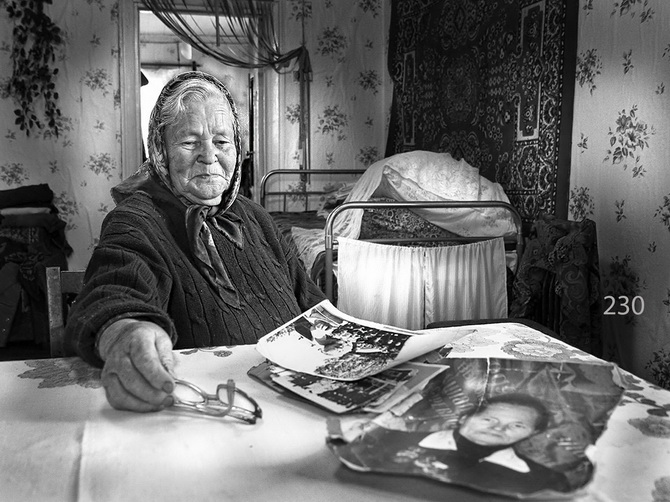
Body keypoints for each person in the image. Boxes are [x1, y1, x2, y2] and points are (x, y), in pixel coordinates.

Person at [65, 71, 325, 413]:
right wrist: (124, 332)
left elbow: (312, 305)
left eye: (222, 141)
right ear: (161, 151)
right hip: (210, 412)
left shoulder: (257, 217)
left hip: (295, 402)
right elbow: (113, 292)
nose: (209, 155)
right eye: (190, 142)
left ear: (238, 150)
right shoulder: (137, 219)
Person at [344, 393, 570, 496]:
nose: (498, 429)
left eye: (517, 425)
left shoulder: (546, 481)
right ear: (464, 418)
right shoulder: (387, 441)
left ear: (533, 433)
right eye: (489, 419)